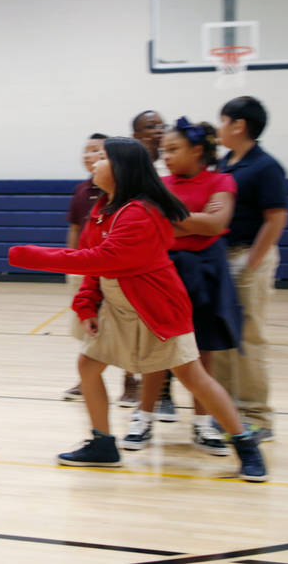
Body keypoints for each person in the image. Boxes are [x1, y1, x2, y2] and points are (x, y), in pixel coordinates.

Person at [8, 137, 267, 482]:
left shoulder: (141, 213)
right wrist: (86, 305)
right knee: (88, 366)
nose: (94, 162)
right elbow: (94, 266)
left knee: (194, 377)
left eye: (102, 157)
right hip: (117, 305)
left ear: (120, 168)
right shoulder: (102, 210)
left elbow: (101, 258)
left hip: (156, 306)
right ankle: (103, 444)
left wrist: (27, 255)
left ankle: (246, 444)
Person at [123, 118, 241, 457]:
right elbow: (158, 225)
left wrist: (172, 219)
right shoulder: (159, 183)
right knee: (158, 349)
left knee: (203, 351)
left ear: (197, 150)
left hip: (206, 273)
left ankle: (204, 425)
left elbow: (216, 223)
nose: (166, 156)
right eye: (164, 151)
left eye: (174, 149)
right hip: (165, 272)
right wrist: (195, 222)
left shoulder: (222, 180)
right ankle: (143, 417)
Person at [209, 96, 288, 443]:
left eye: (223, 121)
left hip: (248, 258)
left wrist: (251, 264)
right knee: (223, 336)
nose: (219, 128)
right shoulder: (227, 162)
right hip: (223, 259)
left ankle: (258, 416)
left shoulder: (266, 166)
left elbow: (276, 218)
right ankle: (227, 412)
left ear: (239, 125)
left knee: (249, 339)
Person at [63, 132, 140, 406]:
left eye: (98, 152)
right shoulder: (83, 191)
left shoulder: (128, 204)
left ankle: (132, 381)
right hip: (88, 268)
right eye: (86, 150)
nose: (89, 156)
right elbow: (75, 228)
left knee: (125, 331)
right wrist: (72, 261)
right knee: (89, 326)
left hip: (116, 275)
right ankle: (88, 379)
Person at [131, 109, 177, 420]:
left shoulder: (174, 161)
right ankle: (143, 394)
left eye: (161, 124)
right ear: (136, 135)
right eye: (150, 126)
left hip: (169, 257)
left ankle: (166, 394)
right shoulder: (131, 167)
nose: (158, 130)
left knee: (171, 333)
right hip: (137, 260)